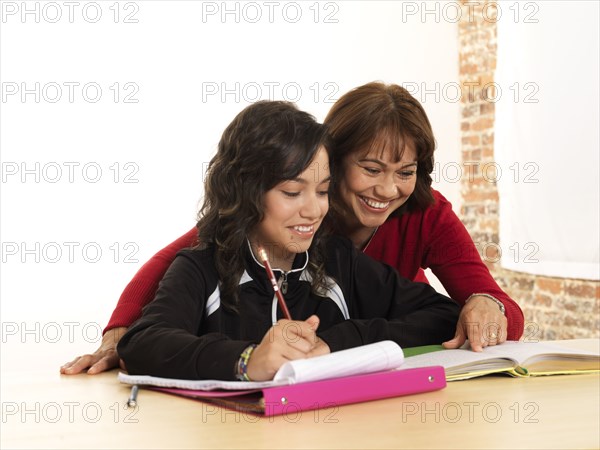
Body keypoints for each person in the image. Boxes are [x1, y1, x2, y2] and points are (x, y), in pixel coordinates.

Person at [61, 82, 524, 376]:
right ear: (336, 160)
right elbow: (174, 277)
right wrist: (124, 329)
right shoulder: (223, 252)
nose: (389, 187)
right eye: (371, 168)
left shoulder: (341, 257)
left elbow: (460, 315)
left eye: (406, 171)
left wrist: (335, 343)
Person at [115, 100, 459, 381]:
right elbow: (142, 344)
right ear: (245, 191)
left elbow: (443, 314)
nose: (314, 210)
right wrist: (247, 360)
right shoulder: (201, 268)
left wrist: (335, 342)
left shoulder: (339, 260)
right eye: (292, 192)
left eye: (323, 191)